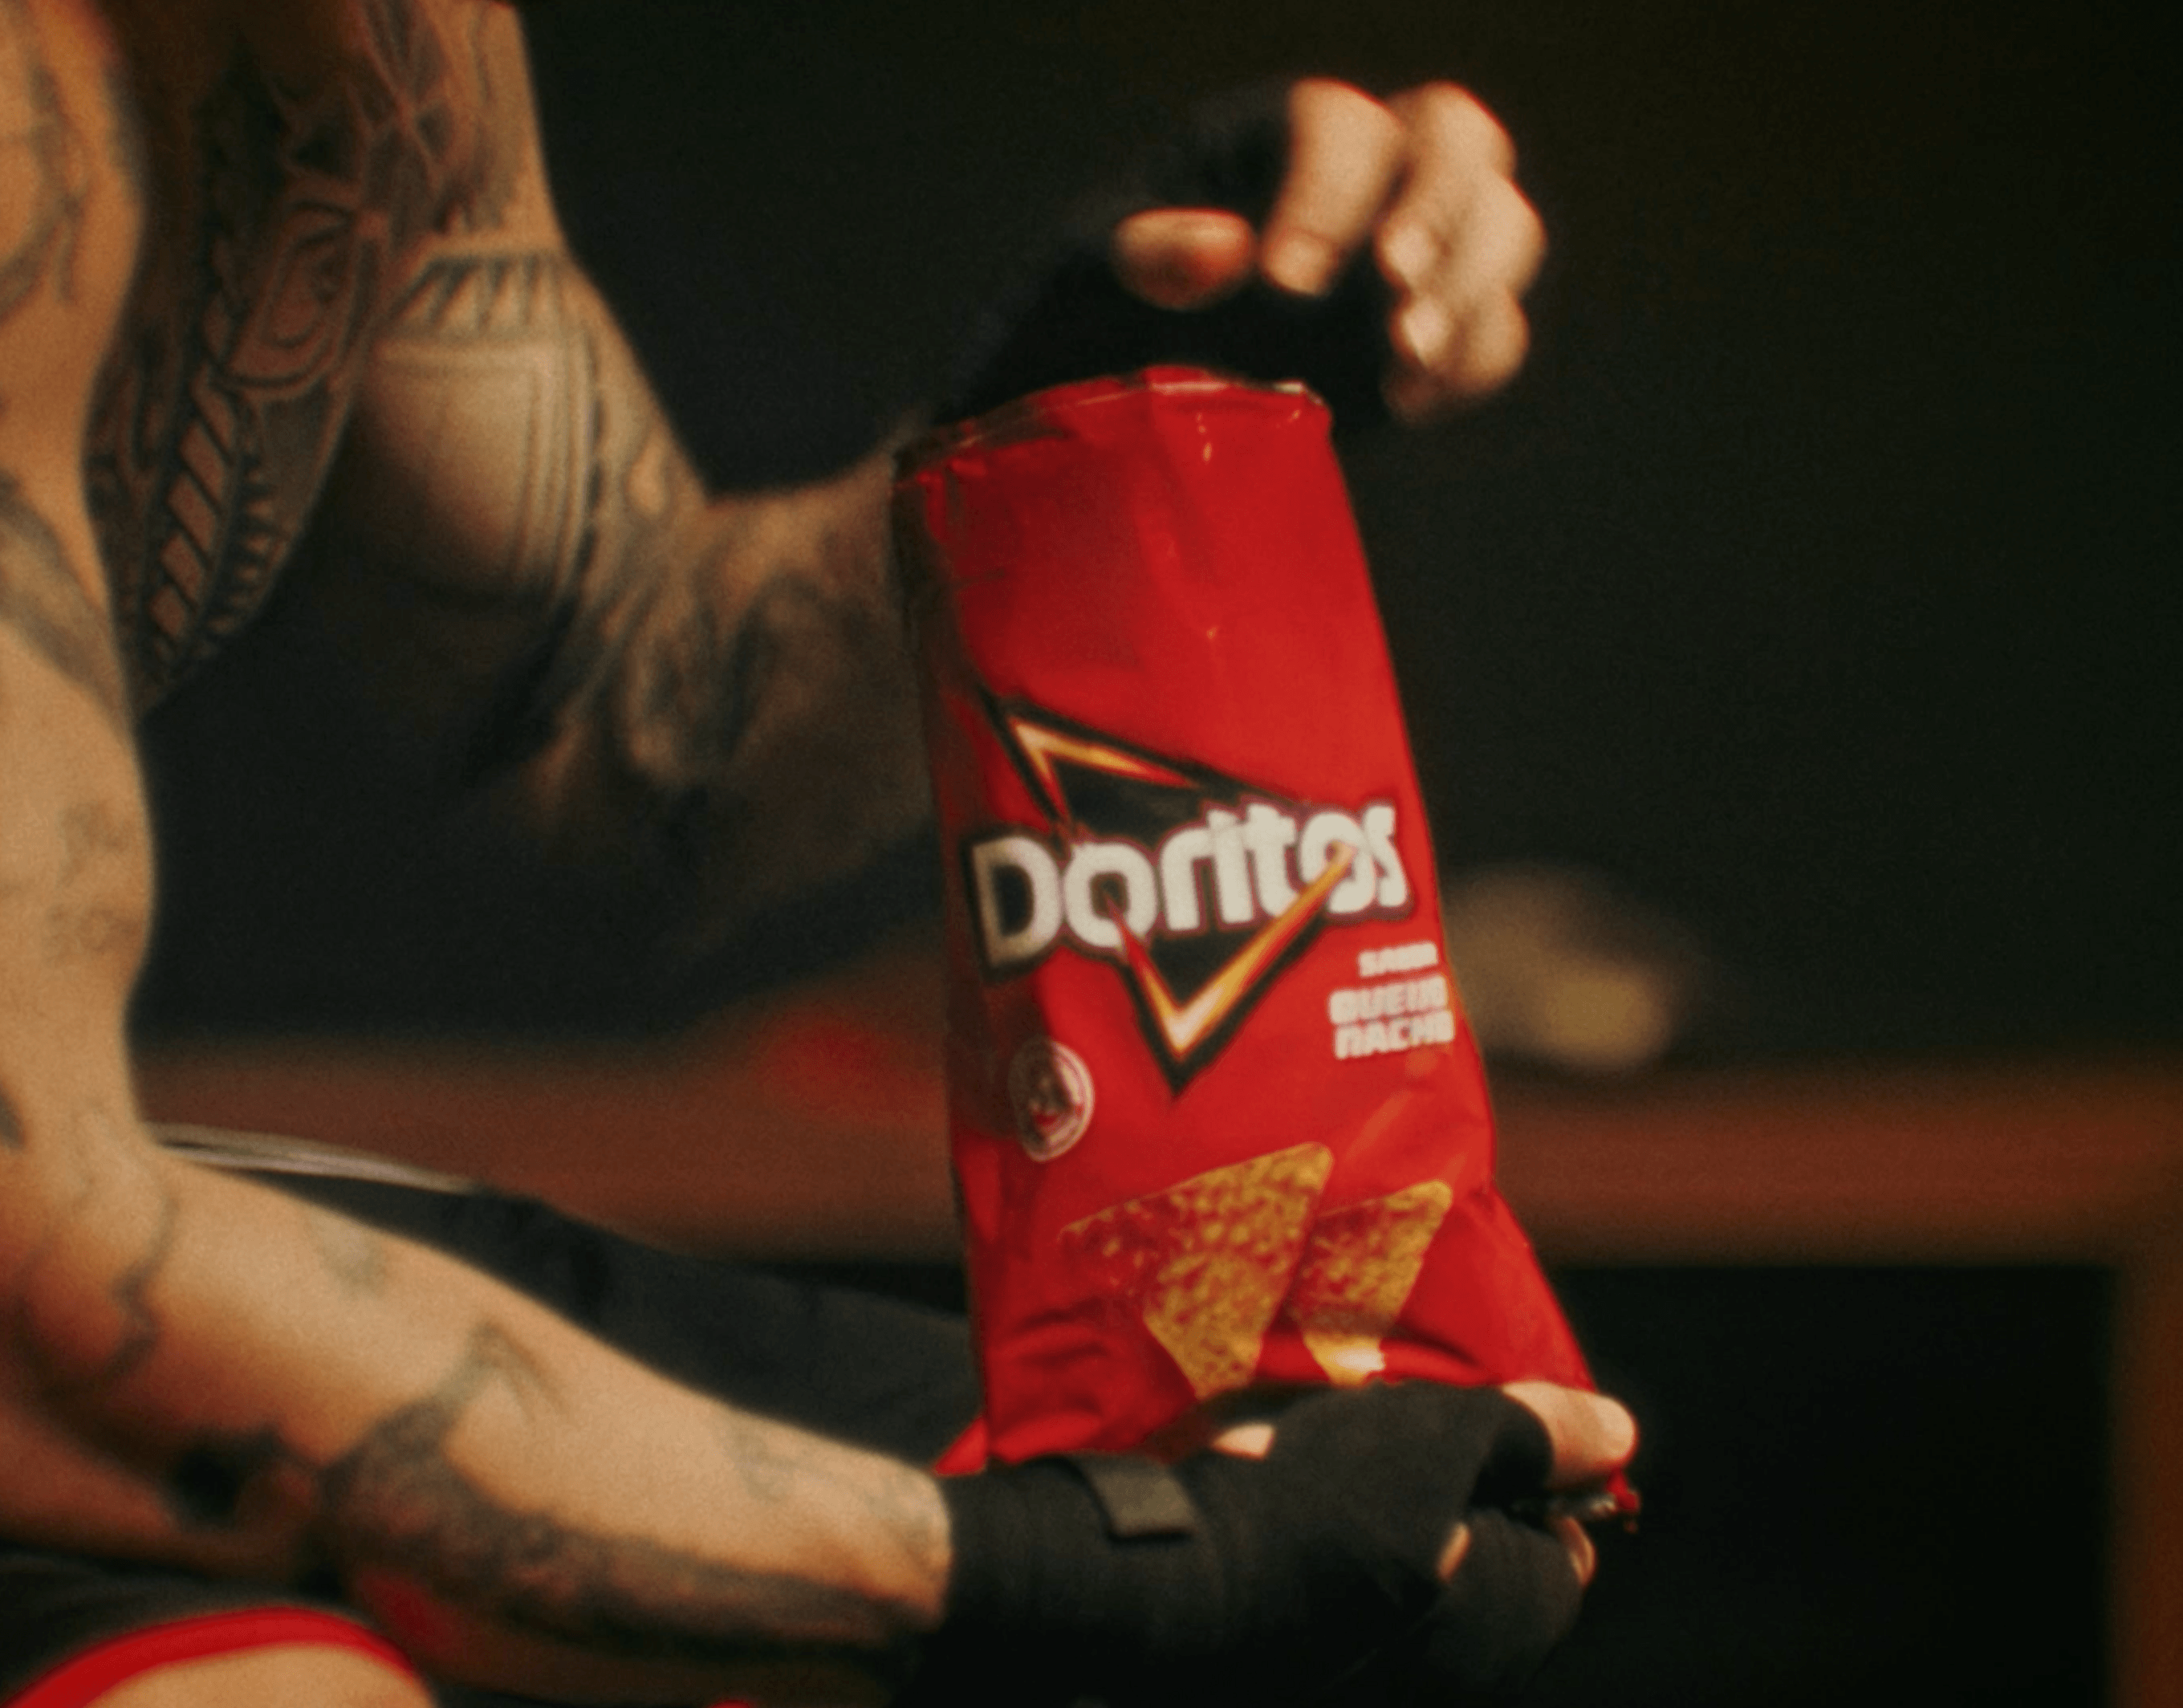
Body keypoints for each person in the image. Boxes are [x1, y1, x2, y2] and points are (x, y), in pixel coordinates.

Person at [0, 1, 1637, 1703]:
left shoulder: (397, 48)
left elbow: (638, 740)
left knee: (1222, 1466)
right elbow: (29, 1308)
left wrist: (1060, 429)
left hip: (77, 1226)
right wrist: (1077, 1573)